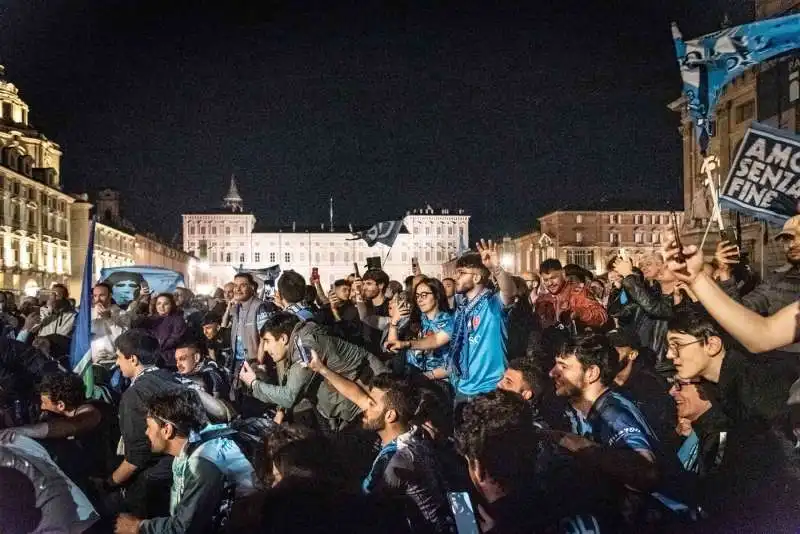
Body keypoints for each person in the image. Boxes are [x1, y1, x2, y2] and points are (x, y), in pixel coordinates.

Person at [665, 309, 799, 530]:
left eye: (677, 345)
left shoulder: (756, 389)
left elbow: (784, 470)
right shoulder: (725, 389)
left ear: (712, 345)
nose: (670, 355)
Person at [548, 333, 697, 526]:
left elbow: (646, 471)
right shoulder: (591, 410)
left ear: (591, 373)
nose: (552, 372)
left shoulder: (613, 413)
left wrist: (580, 446)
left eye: (564, 366)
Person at [306, 354, 457, 534]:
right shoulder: (413, 431)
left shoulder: (394, 462)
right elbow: (356, 395)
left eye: (371, 404)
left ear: (390, 416)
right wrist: (322, 369)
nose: (365, 406)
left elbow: (363, 506)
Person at [115, 390, 256, 534]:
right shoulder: (190, 447)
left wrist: (138, 527)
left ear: (167, 430)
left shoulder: (203, 462)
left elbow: (186, 528)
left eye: (149, 427)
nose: (146, 433)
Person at [239, 312, 387, 432]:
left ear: (283, 338)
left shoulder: (306, 348)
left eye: (267, 341)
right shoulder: (298, 342)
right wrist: (280, 411)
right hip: (354, 404)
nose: (264, 349)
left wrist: (254, 384)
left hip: (366, 404)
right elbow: (290, 380)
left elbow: (290, 396)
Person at [108, 329, 184, 518]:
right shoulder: (172, 377)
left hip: (153, 483)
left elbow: (136, 457)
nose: (117, 363)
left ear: (132, 359)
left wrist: (109, 483)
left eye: (118, 357)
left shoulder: (135, 395)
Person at [449, 241, 515, 403]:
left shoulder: (492, 304)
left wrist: (496, 268)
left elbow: (510, 291)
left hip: (489, 390)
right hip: (462, 388)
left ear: (477, 277)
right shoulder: (462, 308)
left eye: (462, 273)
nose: (456, 277)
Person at [386, 277, 453, 384]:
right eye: (417, 296)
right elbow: (393, 347)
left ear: (437, 295)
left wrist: (428, 376)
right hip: (411, 377)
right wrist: (394, 322)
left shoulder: (450, 322)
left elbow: (454, 365)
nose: (419, 300)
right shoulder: (415, 319)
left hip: (438, 383)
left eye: (424, 295)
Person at [229, 273, 276, 387]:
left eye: (243, 285)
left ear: (252, 287)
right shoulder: (236, 309)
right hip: (237, 362)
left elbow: (265, 338)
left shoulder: (260, 307)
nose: (238, 289)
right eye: (235, 285)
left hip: (254, 364)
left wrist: (259, 364)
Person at [534, 259, 607, 330]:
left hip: (574, 340)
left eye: (553, 278)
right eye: (546, 280)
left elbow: (601, 316)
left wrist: (578, 313)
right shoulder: (542, 299)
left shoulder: (579, 293)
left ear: (563, 274)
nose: (550, 283)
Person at [137, 293, 187, 368]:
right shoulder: (150, 320)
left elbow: (175, 339)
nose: (161, 306)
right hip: (152, 359)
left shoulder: (178, 320)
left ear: (171, 305)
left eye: (166, 304)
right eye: (159, 304)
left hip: (170, 360)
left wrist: (157, 349)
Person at [91, 282, 132, 369]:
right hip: (91, 362)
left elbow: (124, 337)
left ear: (110, 296)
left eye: (102, 295)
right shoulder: (88, 314)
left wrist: (109, 319)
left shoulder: (122, 314)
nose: (98, 299)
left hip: (112, 362)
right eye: (95, 296)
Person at [321, 279, 363, 347]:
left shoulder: (352, 309)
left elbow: (345, 331)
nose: (347, 292)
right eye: (344, 290)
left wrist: (334, 310)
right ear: (335, 291)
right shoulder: (325, 308)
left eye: (349, 290)